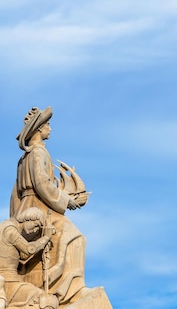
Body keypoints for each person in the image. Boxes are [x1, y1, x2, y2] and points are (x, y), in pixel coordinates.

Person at [10, 107, 90, 304]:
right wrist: (67, 201)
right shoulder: (38, 152)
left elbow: (15, 193)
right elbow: (43, 184)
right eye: (47, 126)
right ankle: (68, 291)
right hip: (37, 207)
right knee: (75, 236)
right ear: (38, 129)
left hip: (27, 207)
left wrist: (14, 216)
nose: (50, 130)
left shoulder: (25, 157)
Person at [0, 207, 57, 308]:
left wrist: (41, 243)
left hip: (11, 280)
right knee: (44, 299)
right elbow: (29, 249)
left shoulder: (9, 228)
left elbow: (22, 256)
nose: (35, 230)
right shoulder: (10, 230)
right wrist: (46, 237)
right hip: (8, 281)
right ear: (29, 219)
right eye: (36, 225)